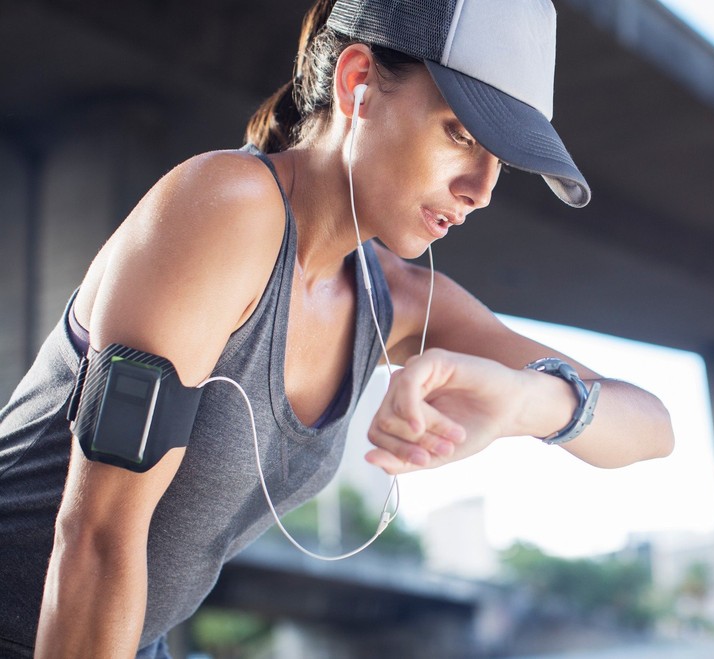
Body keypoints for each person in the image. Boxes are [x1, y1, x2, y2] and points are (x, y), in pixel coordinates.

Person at [0, 0, 674, 656]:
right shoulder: (224, 209)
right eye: (462, 134)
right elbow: (95, 537)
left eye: (502, 158)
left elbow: (651, 427)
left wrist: (528, 402)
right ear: (357, 84)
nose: (483, 188)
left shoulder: (396, 301)